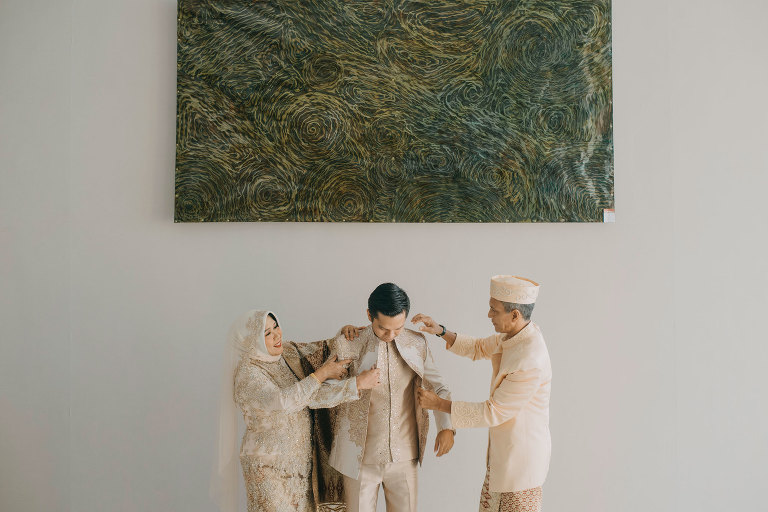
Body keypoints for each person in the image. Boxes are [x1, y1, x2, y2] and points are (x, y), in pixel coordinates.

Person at [211, 309, 380, 512]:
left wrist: (345, 335)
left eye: (276, 327)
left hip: (300, 464)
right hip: (268, 468)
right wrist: (322, 374)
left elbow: (322, 356)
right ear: (250, 340)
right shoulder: (248, 374)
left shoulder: (287, 353)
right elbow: (283, 402)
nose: (277, 335)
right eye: (267, 333)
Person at [414, 275, 552, 512]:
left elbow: (493, 411)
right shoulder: (514, 335)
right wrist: (440, 331)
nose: (489, 315)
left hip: (521, 464)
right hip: (502, 456)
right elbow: (478, 347)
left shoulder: (530, 359)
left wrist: (439, 404)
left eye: (494, 310)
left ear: (515, 315)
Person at [330, 282, 455, 512]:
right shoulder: (349, 342)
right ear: (369, 315)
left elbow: (439, 387)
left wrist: (446, 427)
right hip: (358, 458)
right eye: (383, 329)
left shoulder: (417, 343)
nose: (390, 335)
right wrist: (357, 383)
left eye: (398, 328)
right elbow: (326, 392)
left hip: (405, 456)